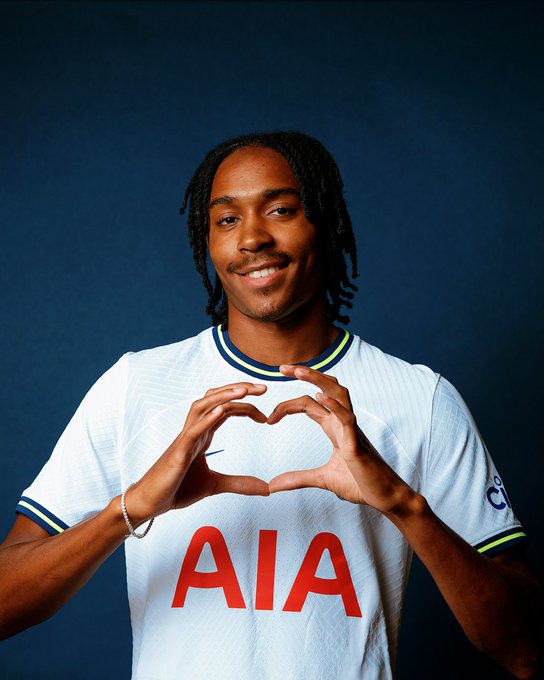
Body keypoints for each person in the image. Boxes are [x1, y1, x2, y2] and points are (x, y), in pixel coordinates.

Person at [0, 131, 540, 679]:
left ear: (325, 224)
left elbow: (527, 650)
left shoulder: (419, 399)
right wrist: (134, 506)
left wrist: (402, 504)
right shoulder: (136, 386)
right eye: (227, 219)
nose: (252, 237)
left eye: (281, 210)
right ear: (207, 241)